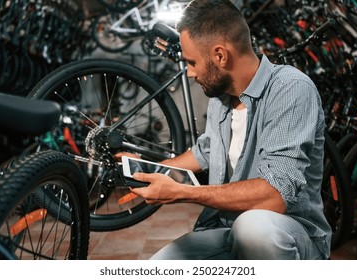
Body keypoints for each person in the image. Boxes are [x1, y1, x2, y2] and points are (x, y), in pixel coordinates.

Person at [118, 0, 332, 260]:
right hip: (225, 228)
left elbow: (275, 197)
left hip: (287, 233)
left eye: (192, 62)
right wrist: (151, 171)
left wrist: (183, 193)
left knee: (253, 227)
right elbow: (207, 150)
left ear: (220, 56)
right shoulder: (221, 98)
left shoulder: (290, 89)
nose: (189, 73)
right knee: (158, 266)